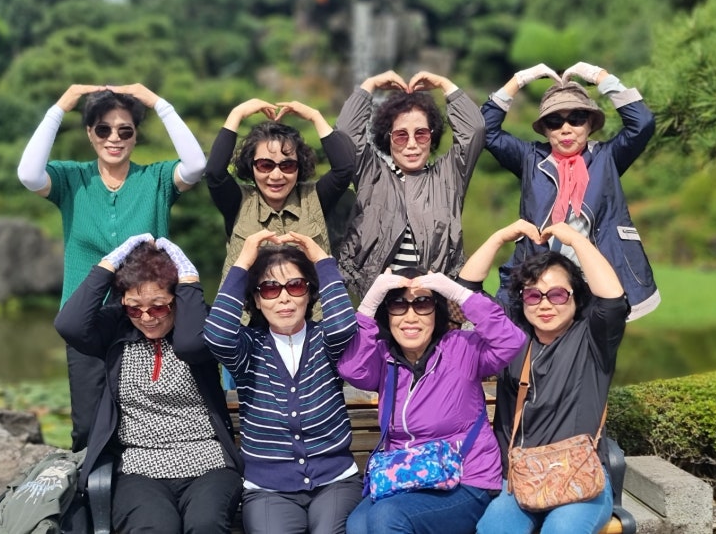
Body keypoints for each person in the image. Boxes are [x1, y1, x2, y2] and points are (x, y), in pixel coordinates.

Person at [17, 83, 207, 450]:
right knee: (88, 424)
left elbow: (197, 165)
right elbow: (28, 174)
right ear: (90, 133)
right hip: (87, 318)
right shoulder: (72, 179)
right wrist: (61, 106)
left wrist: (158, 103)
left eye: (125, 130)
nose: (114, 139)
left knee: (151, 416)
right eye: (103, 129)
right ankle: (89, 482)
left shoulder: (157, 179)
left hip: (149, 316)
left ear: (135, 136)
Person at [54, 234, 243, 534]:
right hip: (138, 468)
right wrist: (111, 262)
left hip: (208, 463)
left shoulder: (200, 323)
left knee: (205, 524)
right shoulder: (117, 327)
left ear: (177, 299)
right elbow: (69, 324)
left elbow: (190, 345)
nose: (146, 318)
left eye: (158, 307)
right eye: (134, 308)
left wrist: (188, 276)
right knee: (155, 527)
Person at [460, 220, 629, 534]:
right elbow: (467, 290)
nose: (546, 304)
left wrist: (576, 240)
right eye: (533, 296)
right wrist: (499, 236)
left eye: (558, 295)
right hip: (518, 481)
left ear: (576, 298)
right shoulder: (510, 336)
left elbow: (613, 300)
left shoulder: (593, 339)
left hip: (580, 481)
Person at [337, 267, 527, 534]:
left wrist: (459, 294)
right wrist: (369, 303)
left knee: (386, 517)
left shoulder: (462, 348)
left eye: (423, 303)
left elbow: (511, 341)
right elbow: (351, 369)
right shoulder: (383, 358)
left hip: (465, 479)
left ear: (437, 311)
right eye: (398, 304)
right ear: (387, 313)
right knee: (357, 525)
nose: (410, 317)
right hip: (404, 477)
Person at [204, 230, 363, 534]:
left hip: (335, 481)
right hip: (268, 489)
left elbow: (345, 326)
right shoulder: (249, 347)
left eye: (296, 285)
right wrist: (244, 260)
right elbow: (217, 336)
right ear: (256, 299)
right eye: (269, 289)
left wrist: (322, 260)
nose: (284, 297)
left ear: (309, 293)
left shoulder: (325, 341)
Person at [482, 61, 659, 320]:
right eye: (554, 122)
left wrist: (600, 76)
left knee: (594, 345)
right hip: (541, 283)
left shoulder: (606, 157)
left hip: (597, 281)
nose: (566, 129)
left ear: (590, 123)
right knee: (525, 343)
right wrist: (519, 79)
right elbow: (485, 130)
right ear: (545, 129)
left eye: (576, 119)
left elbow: (642, 123)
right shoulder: (530, 157)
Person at [335, 70, 485, 301]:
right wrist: (370, 84)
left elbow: (473, 130)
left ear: (432, 137)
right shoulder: (370, 173)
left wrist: (444, 83)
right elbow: (346, 133)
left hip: (432, 302)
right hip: (370, 299)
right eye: (401, 135)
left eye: (421, 134)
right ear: (388, 138)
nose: (412, 144)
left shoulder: (449, 176)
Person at [205, 98, 355, 280]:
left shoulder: (314, 197)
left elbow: (344, 167)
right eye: (265, 165)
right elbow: (214, 172)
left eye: (287, 166)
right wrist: (237, 114)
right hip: (247, 299)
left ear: (299, 167)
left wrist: (315, 116)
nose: (276, 175)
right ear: (251, 166)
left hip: (311, 299)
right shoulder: (238, 201)